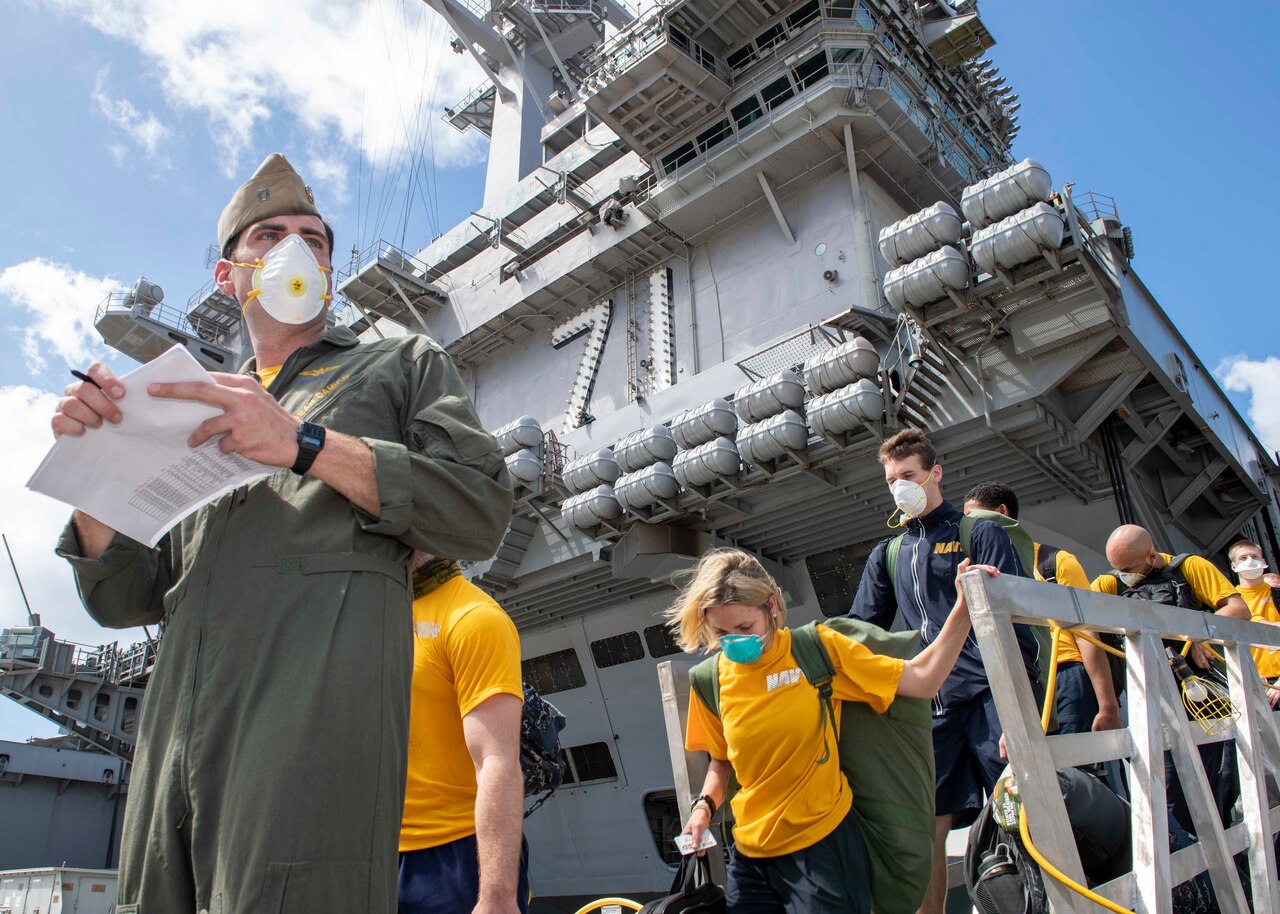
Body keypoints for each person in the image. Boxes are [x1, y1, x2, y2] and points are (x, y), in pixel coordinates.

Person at [51, 153, 513, 913]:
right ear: (228, 277)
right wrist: (93, 479)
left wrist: (302, 443)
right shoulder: (187, 411)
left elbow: (478, 506)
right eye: (267, 236)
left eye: (315, 239)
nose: (296, 250)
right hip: (174, 733)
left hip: (310, 724)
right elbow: (128, 597)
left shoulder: (399, 364)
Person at [672, 547, 1001, 914]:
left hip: (822, 844)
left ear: (771, 607)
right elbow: (722, 761)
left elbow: (922, 679)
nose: (734, 640)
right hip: (750, 855)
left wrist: (963, 609)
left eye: (744, 628)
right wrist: (702, 810)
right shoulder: (711, 680)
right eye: (721, 632)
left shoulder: (815, 651)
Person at [848, 430, 1040, 914]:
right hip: (930, 706)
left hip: (988, 696)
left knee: (1023, 811)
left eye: (908, 476)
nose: (899, 488)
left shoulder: (981, 533)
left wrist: (1019, 711)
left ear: (934, 474)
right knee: (925, 825)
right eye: (891, 480)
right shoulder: (887, 554)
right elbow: (857, 631)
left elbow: (1014, 627)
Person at [398, 554, 530, 914]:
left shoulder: (474, 618)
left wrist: (497, 897)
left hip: (452, 856)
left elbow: (496, 759)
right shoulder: (372, 619)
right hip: (371, 855)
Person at [1094, 525, 1248, 831]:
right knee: (1165, 787)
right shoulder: (1109, 584)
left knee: (1218, 776)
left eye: (1128, 568)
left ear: (1152, 555)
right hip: (1149, 697)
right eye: (1117, 569)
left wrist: (1199, 631)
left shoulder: (1189, 567)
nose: (1122, 574)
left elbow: (1238, 609)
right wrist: (1107, 703)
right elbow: (1083, 627)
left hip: (1199, 692)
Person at [962, 482, 1121, 734]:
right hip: (1013, 678)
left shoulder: (1056, 563)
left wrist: (1108, 706)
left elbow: (1088, 634)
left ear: (1002, 512)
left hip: (1063, 673)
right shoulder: (975, 574)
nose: (968, 527)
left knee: (1073, 768)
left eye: (973, 517)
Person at [1226, 539, 1280, 709]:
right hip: (1254, 684)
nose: (1250, 561)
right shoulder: (1229, 602)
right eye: (1243, 558)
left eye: (1254, 556)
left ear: (1263, 562)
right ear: (1234, 567)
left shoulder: (1277, 594)